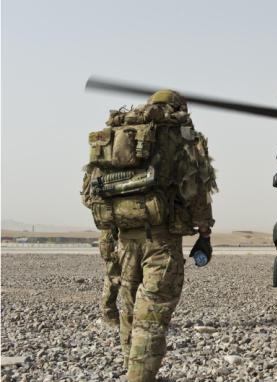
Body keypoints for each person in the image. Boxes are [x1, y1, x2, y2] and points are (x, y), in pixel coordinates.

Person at [81, 89, 216, 382]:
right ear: (179, 108)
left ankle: (135, 370)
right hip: (162, 241)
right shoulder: (181, 137)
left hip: (124, 240)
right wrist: (204, 233)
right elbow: (197, 190)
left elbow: (88, 193)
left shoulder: (116, 135)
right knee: (152, 317)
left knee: (129, 311)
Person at [99, 226, 121, 326]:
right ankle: (110, 317)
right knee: (113, 277)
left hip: (115, 238)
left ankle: (110, 317)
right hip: (113, 237)